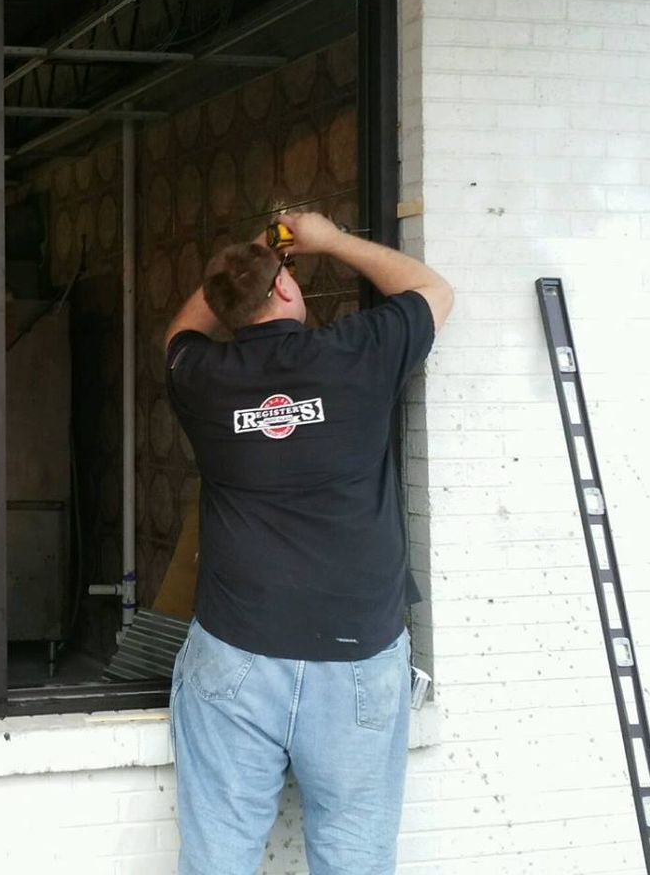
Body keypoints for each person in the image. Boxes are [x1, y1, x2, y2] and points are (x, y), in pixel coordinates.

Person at [163, 211, 453, 875]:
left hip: (236, 648)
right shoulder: (356, 354)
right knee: (354, 859)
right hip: (356, 653)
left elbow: (180, 331)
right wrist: (327, 241)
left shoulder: (202, 377)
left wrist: (248, 261)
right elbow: (433, 290)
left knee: (217, 860)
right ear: (287, 288)